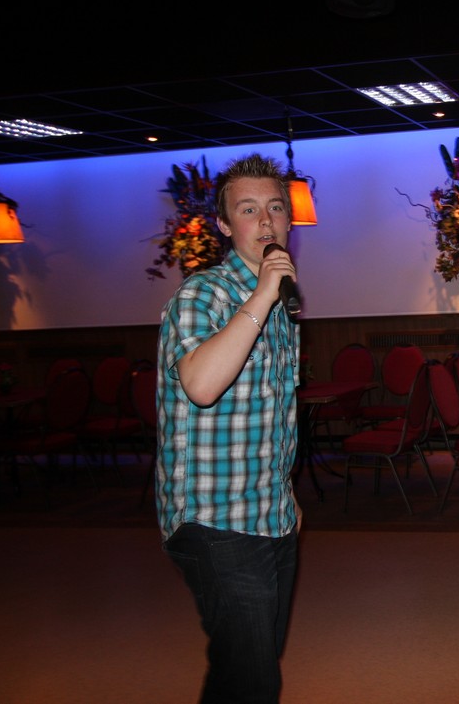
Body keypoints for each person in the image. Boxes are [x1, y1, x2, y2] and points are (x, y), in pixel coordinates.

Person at [155, 153, 302, 704]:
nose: (265, 221)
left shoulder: (282, 304)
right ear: (223, 225)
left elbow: (274, 411)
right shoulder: (202, 296)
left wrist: (287, 496)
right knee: (254, 678)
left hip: (270, 511)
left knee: (245, 666)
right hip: (214, 517)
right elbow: (201, 385)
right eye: (248, 210)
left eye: (275, 208)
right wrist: (261, 296)